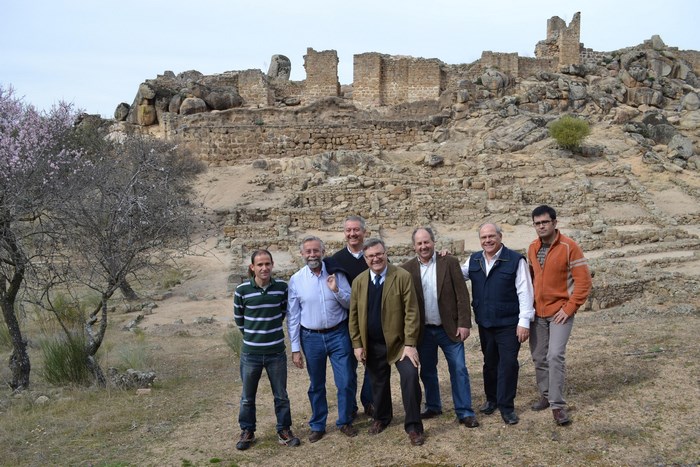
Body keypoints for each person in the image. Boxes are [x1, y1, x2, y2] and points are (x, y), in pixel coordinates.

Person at [349, 238, 425, 446]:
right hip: (372, 344)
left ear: (385, 253)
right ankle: (382, 417)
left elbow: (411, 312)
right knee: (378, 384)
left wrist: (410, 344)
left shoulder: (401, 276)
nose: (376, 258)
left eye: (379, 254)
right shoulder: (359, 282)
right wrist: (357, 344)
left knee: (410, 379)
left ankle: (414, 426)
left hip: (401, 345)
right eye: (371, 256)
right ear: (365, 259)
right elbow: (354, 316)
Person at [401, 227, 479, 428]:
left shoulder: (449, 262)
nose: (423, 246)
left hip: (449, 328)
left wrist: (464, 323)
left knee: (459, 369)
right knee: (427, 371)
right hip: (423, 331)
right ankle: (433, 405)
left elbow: (462, 295)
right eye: (419, 243)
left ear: (433, 242)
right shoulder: (406, 269)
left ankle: (464, 411)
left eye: (426, 242)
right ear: (414, 246)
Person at [462, 223, 535, 425]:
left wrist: (524, 322)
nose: (488, 240)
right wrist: (443, 260)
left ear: (500, 237)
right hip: (485, 323)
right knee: (490, 362)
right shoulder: (474, 259)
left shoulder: (515, 260)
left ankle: (507, 406)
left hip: (509, 323)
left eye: (491, 236)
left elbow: (525, 292)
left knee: (508, 364)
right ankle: (491, 399)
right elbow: (457, 275)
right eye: (484, 237)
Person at [287, 236, 358, 443]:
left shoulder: (336, 273)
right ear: (302, 254)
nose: (312, 255)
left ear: (323, 251)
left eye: (316, 251)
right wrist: (295, 348)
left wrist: (336, 290)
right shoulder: (296, 280)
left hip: (338, 334)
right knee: (316, 384)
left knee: (345, 381)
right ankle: (318, 425)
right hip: (311, 338)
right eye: (308, 251)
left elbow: (351, 302)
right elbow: (293, 316)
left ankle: (345, 421)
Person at [528, 205, 592, 426]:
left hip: (560, 313)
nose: (541, 226)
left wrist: (569, 308)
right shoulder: (532, 248)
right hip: (538, 313)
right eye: (537, 223)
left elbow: (584, 283)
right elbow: (530, 278)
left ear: (555, 223)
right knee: (539, 356)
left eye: (545, 222)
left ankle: (557, 405)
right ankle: (545, 395)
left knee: (555, 355)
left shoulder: (569, 247)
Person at [233, 249, 301, 450]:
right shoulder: (242, 290)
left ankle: (284, 430)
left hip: (276, 353)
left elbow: (282, 313)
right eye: (260, 264)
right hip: (250, 354)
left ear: (272, 265)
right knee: (247, 397)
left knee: (281, 395)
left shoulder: (281, 288)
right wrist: (254, 337)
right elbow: (240, 319)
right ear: (252, 267)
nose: (264, 268)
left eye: (267, 264)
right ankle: (247, 431)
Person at [331, 215, 374, 417]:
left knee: (373, 366)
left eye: (356, 230)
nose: (352, 234)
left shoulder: (373, 255)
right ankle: (350, 407)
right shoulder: (336, 260)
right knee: (348, 370)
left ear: (364, 232)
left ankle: (369, 401)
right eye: (348, 230)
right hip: (346, 324)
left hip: (373, 321)